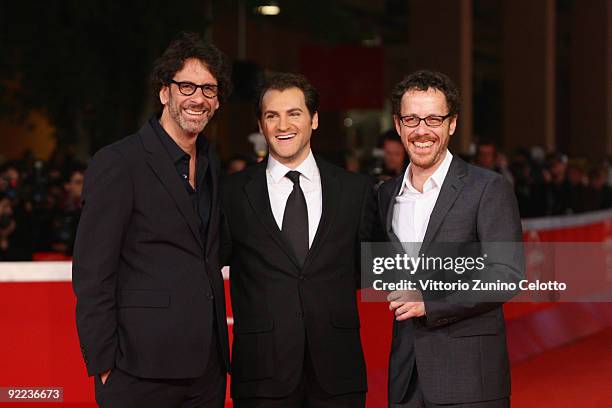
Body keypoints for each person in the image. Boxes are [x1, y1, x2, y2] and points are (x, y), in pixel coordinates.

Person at [72, 32, 231, 408]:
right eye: (187, 86)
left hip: (207, 369)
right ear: (165, 92)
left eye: (209, 89)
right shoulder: (119, 162)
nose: (198, 98)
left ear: (218, 101)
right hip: (137, 370)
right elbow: (93, 272)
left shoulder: (211, 164)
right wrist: (103, 362)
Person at [221, 72, 376, 407]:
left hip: (338, 372)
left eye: (294, 113)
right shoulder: (230, 193)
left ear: (314, 119)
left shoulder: (355, 190)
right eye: (271, 116)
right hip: (261, 374)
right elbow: (203, 265)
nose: (282, 125)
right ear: (261, 125)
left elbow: (372, 266)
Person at [378, 70, 523, 408]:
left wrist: (430, 303)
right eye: (412, 119)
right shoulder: (385, 194)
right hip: (405, 377)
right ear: (398, 125)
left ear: (452, 124)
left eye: (433, 118)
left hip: (469, 377)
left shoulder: (487, 188)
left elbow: (505, 275)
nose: (422, 130)